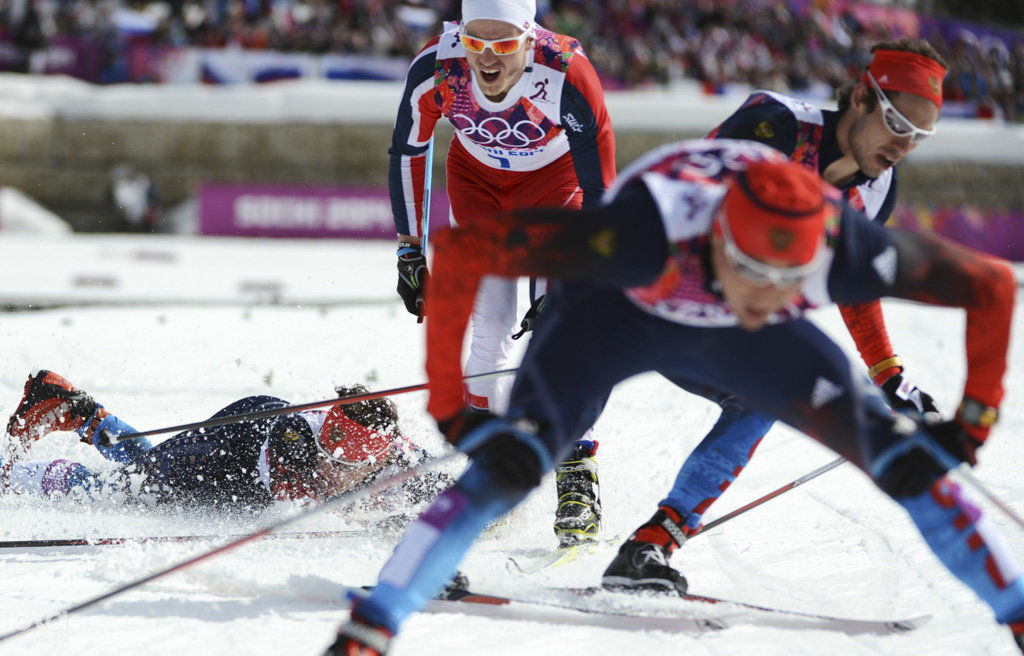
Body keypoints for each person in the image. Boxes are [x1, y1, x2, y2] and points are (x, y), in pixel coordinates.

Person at [324, 139, 1024, 655]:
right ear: (717, 237)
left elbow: (992, 286)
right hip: (611, 317)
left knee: (908, 465)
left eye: (790, 277)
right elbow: (466, 251)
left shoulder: (843, 246)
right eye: (752, 270)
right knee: (510, 466)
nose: (769, 290)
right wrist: (452, 409)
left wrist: (973, 424)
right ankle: (372, 627)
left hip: (750, 338)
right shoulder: (634, 233)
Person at [602, 38, 952, 590]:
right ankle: (464, 512)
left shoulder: (878, 189)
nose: (903, 145)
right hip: (653, 292)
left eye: (920, 135)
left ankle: (651, 544)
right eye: (896, 123)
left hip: (726, 318)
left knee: (762, 399)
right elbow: (675, 200)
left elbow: (853, 285)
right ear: (861, 98)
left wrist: (890, 376)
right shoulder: (776, 127)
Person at [388, 0, 615, 545]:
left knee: (558, 330)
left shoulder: (565, 72)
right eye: (476, 41)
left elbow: (600, 187)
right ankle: (488, 468)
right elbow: (408, 151)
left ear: (529, 38)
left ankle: (576, 470)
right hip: (478, 185)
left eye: (504, 44)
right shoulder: (438, 67)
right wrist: (409, 250)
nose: (487, 58)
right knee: (489, 327)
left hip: (554, 184)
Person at [1, 370, 449, 515]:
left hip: (250, 459)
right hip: (234, 445)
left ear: (377, 457)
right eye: (328, 458)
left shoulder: (395, 452)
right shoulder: (296, 444)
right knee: (126, 491)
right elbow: (299, 511)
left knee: (145, 469)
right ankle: (12, 475)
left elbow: (450, 491)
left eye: (348, 467)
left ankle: (77, 410)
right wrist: (376, 514)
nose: (335, 471)